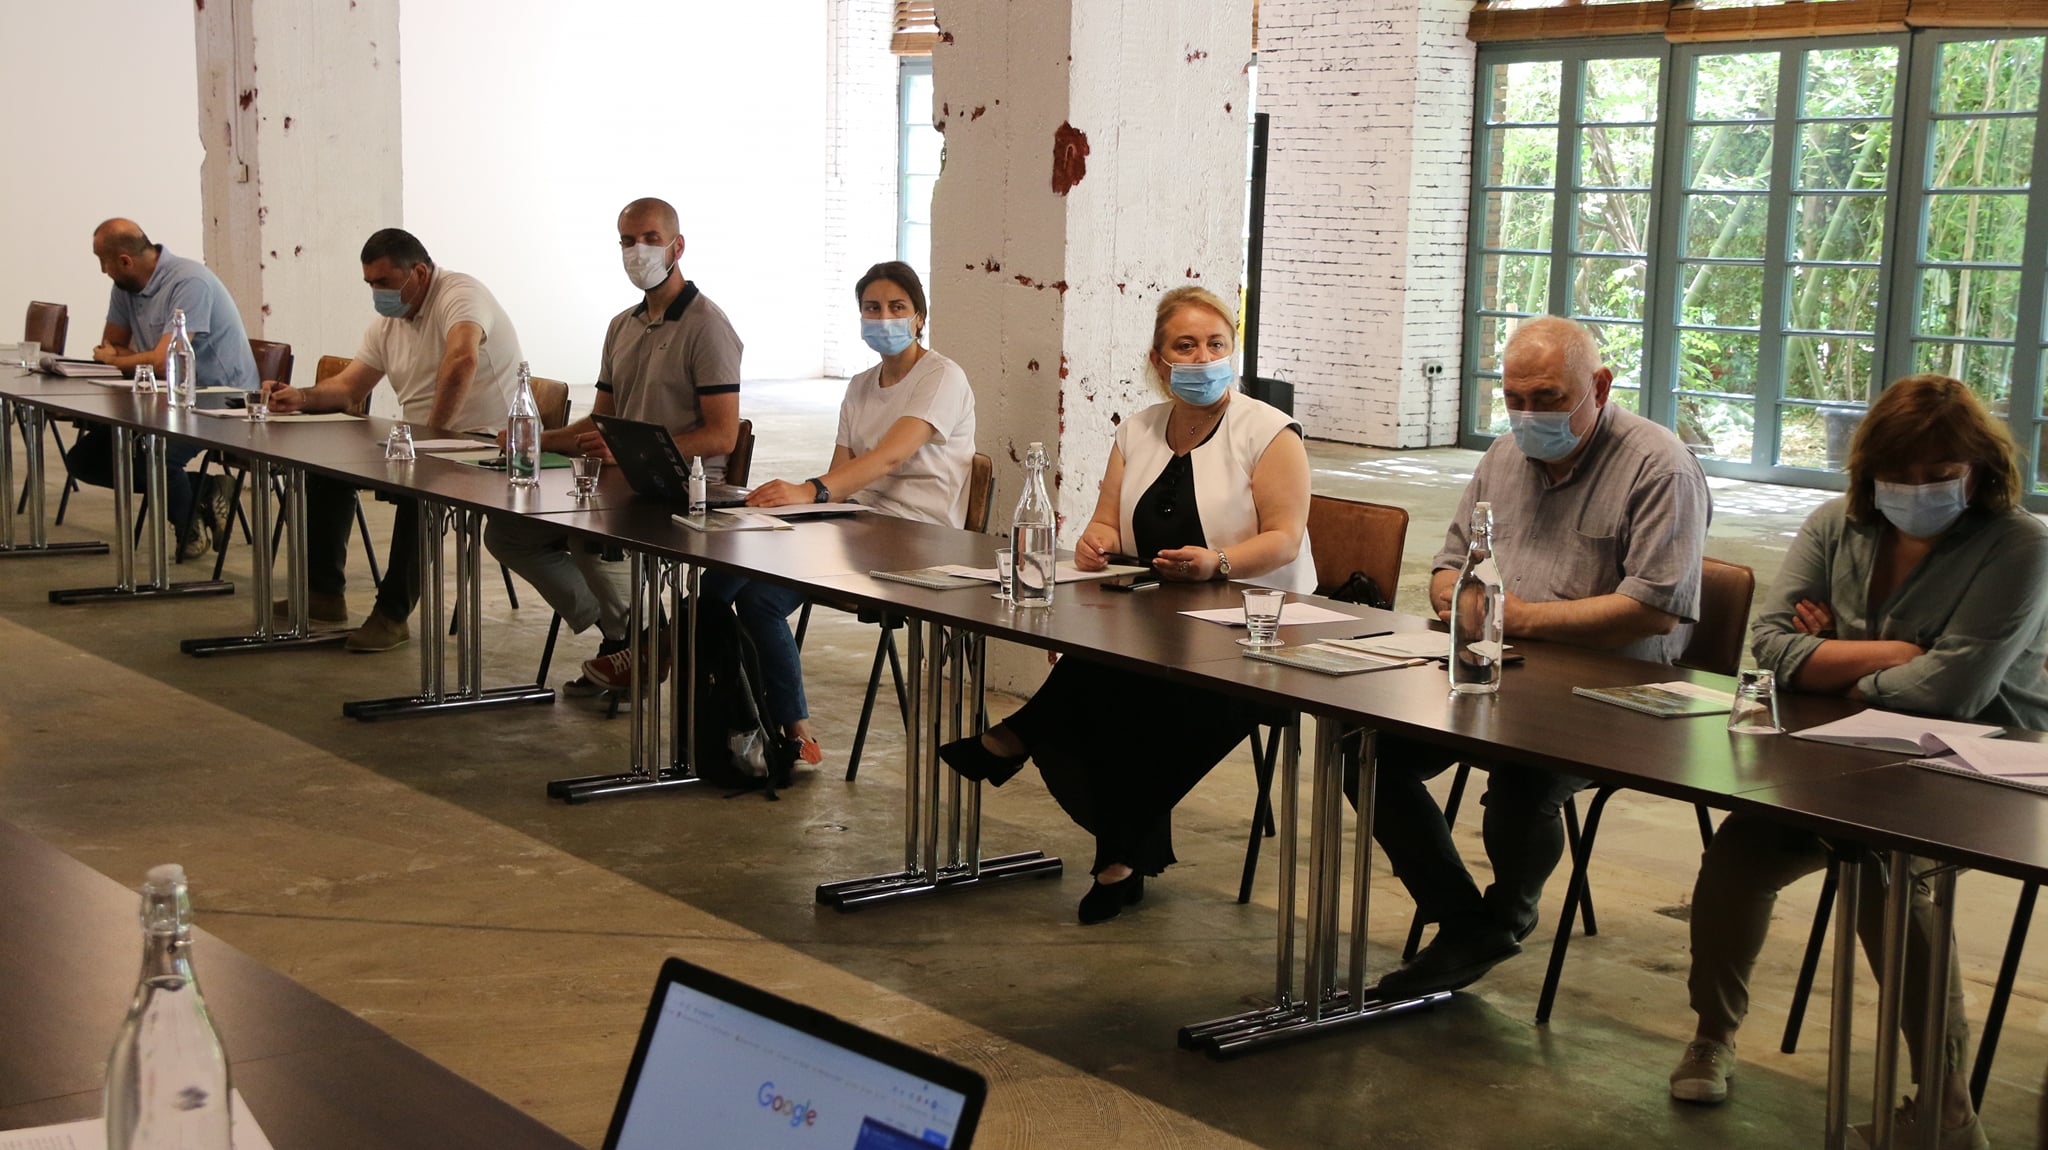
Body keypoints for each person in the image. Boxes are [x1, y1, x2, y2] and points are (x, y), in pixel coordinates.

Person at [1670, 375, 2047, 1149]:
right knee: (1739, 853)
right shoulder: (1834, 524)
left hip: (1976, 766)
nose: (1918, 489)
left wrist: (1833, 660)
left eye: (1940, 475)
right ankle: (1713, 1032)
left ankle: (1945, 1105)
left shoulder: (2021, 546)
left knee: (1886, 870)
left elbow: (1954, 691)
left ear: (1978, 470)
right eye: (1898, 475)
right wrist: (1899, 653)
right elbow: (1769, 648)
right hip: (1839, 754)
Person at [938, 285, 1312, 924]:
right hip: (1157, 615)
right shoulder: (1138, 429)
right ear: (1160, 360)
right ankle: (1118, 851)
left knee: (1131, 693)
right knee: (1108, 668)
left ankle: (1030, 747)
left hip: (1255, 630)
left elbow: (1285, 538)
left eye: (1215, 344)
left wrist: (1218, 561)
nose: (1202, 357)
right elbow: (1108, 521)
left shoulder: (1269, 433)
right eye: (1185, 346)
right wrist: (1095, 541)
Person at [1370, 315, 1710, 996]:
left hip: (1614, 689)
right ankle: (1465, 920)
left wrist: (1519, 617)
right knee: (1371, 751)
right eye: (1514, 398)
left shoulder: (1660, 465)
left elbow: (1654, 607)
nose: (1528, 415)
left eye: (1549, 399)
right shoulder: (1502, 457)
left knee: (1522, 782)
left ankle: (1508, 913)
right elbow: (1448, 564)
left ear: (1600, 387)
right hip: (1498, 668)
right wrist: (1456, 597)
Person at [694, 260, 971, 762]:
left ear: (920, 317)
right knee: (733, 582)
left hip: (917, 539)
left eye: (897, 307)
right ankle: (767, 725)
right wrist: (794, 510)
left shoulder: (942, 377)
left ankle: (773, 721)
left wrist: (809, 491)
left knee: (745, 594)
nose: (883, 317)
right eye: (872, 308)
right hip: (855, 526)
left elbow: (888, 457)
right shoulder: (860, 385)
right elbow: (841, 476)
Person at [483, 198, 742, 699]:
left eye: (649, 239)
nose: (637, 250)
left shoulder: (708, 326)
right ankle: (631, 636)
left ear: (677, 247)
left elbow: (722, 435)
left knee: (589, 535)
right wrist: (532, 438)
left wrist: (632, 454)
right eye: (627, 241)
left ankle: (636, 646)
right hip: (623, 484)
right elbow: (600, 421)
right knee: (508, 533)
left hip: (683, 488)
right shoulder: (623, 325)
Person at [264, 228, 524, 652]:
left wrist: (431, 440)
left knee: (421, 491)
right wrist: (302, 397)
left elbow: (462, 358)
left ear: (418, 273)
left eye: (384, 282)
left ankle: (392, 616)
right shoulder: (389, 323)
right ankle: (324, 594)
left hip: (484, 443)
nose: (377, 293)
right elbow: (349, 387)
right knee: (327, 469)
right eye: (370, 283)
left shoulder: (460, 295)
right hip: (424, 440)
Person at [77, 218, 258, 560]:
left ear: (124, 261)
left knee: (153, 455)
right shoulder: (124, 288)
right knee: (85, 459)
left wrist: (126, 359)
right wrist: (129, 358)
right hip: (168, 395)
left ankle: (188, 526)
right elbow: (111, 346)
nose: (102, 270)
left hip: (221, 398)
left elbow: (164, 361)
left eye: (103, 261)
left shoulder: (189, 282)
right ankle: (205, 488)